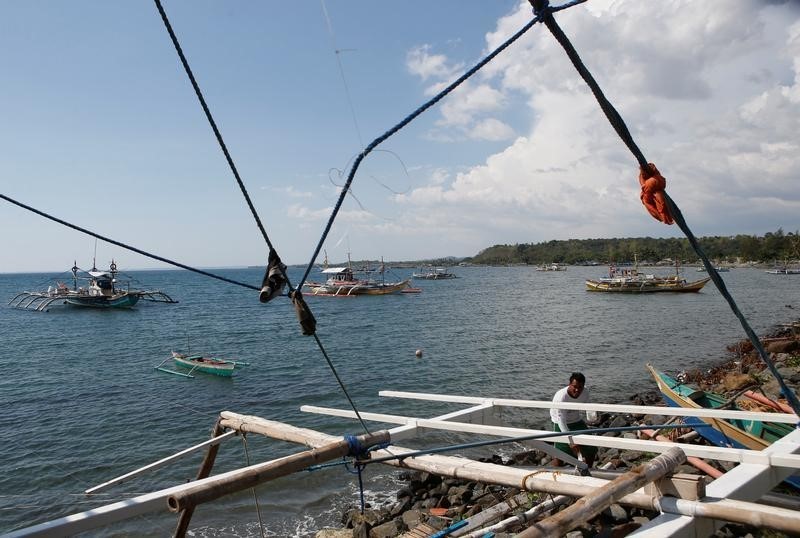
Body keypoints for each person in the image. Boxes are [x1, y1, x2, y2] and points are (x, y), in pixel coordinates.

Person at [550, 372, 597, 467]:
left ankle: (588, 471)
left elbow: (589, 406)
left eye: (580, 387)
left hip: (576, 420)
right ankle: (555, 474)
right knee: (560, 453)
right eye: (574, 386)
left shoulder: (585, 392)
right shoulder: (561, 397)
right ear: (569, 384)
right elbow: (561, 420)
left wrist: (592, 418)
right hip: (560, 422)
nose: (577, 390)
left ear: (584, 386)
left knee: (591, 448)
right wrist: (570, 441)